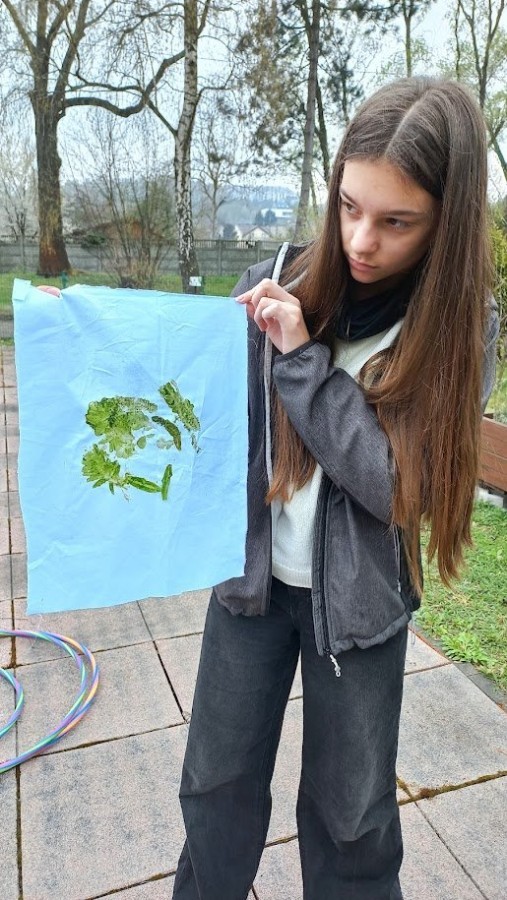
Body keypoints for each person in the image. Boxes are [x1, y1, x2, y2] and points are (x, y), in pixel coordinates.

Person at [173, 77, 499, 900]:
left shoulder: (460, 330)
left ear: (446, 220)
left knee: (351, 819)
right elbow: (187, 400)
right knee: (213, 790)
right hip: (247, 590)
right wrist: (85, 331)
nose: (359, 239)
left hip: (357, 613)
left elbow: (395, 487)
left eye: (395, 221)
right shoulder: (276, 277)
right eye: (349, 206)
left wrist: (301, 364)